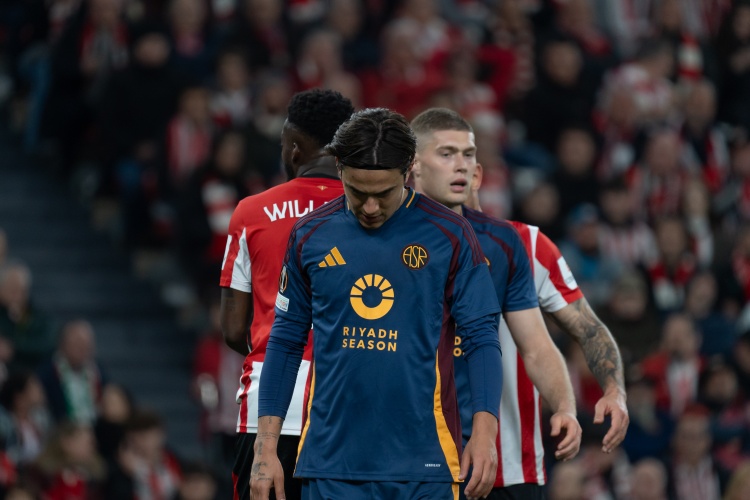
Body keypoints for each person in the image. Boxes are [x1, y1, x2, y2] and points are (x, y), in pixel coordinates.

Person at [250, 108, 503, 500]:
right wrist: (265, 447)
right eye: (357, 192)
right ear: (338, 168)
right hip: (331, 465)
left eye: (383, 194)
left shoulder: (450, 235)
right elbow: (284, 341)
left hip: (427, 465)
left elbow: (482, 338)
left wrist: (485, 434)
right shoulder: (310, 235)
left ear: (409, 170)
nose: (370, 207)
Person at [411, 108, 629, 498]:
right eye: (447, 155)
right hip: (418, 462)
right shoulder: (394, 245)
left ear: (479, 173)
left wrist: (610, 392)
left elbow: (580, 330)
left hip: (511, 466)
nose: (460, 167)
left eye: (467, 156)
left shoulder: (526, 245)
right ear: (414, 169)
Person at [219, 89, 355, 500]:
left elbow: (233, 329)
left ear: (294, 149)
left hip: (270, 407)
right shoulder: (374, 213)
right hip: (351, 401)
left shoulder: (251, 212)